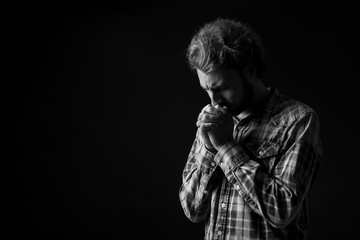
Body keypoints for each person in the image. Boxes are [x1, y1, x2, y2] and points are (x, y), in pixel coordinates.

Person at [179, 18, 322, 240]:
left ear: (251, 71)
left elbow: (281, 210)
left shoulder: (299, 121)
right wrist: (209, 149)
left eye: (222, 88)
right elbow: (192, 210)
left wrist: (226, 147)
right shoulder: (212, 121)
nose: (214, 102)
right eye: (207, 90)